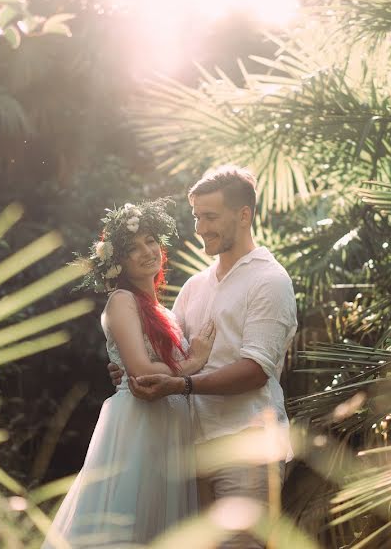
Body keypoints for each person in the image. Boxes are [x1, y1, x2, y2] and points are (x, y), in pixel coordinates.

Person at [109, 166, 297, 549]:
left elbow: (255, 371)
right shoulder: (195, 286)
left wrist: (182, 383)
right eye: (196, 216)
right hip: (191, 454)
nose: (199, 228)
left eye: (209, 217)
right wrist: (129, 365)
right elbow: (166, 352)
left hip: (247, 450)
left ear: (243, 215)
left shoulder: (270, 280)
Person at [43, 198, 216, 549]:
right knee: (130, 525)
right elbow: (139, 371)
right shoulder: (122, 300)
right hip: (140, 424)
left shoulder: (160, 310)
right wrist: (194, 363)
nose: (147, 251)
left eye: (151, 241)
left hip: (169, 424)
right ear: (118, 262)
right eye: (133, 249)